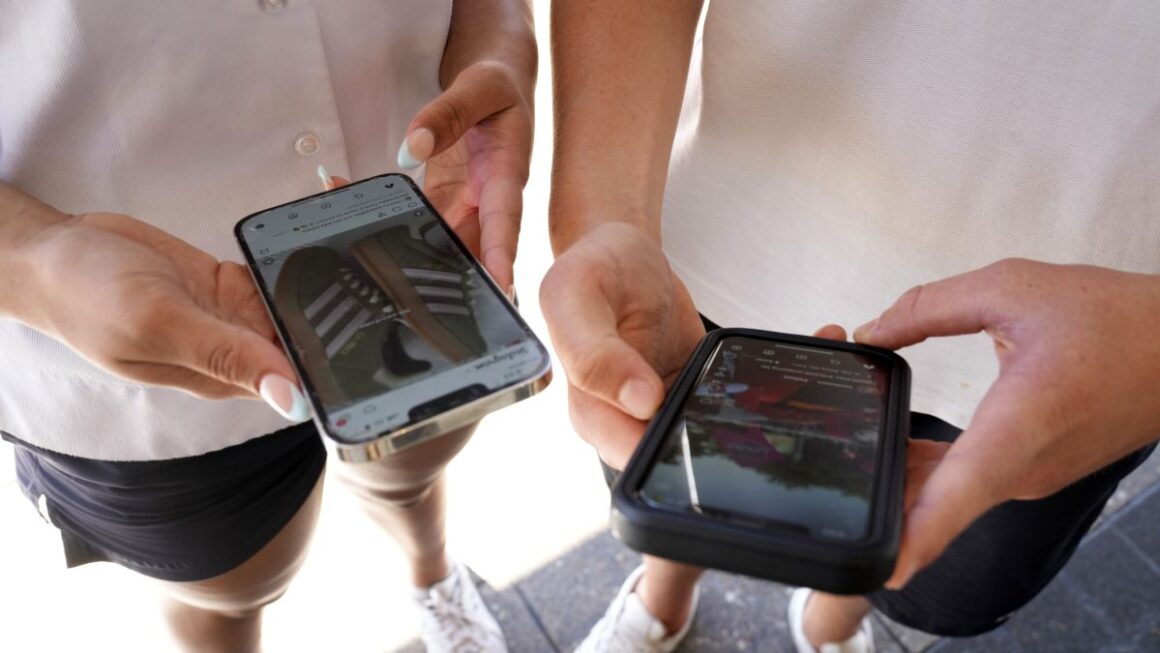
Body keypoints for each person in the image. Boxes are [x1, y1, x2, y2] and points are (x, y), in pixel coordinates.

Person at [541, 2, 1160, 652]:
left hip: (1093, 339)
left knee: (898, 554)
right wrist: (608, 219)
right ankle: (662, 594)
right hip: (717, 248)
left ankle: (830, 621)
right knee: (678, 485)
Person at [0, 1, 535, 651]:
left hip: (410, 224)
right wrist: (28, 252)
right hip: (131, 360)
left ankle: (436, 581)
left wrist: (498, 39)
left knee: (412, 475)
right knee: (233, 592)